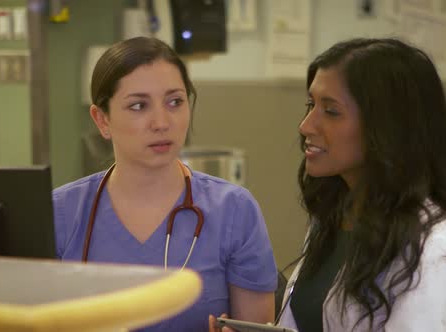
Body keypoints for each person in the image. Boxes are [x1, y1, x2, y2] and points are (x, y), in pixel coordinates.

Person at [52, 37, 277, 331]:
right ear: (102, 120)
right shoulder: (61, 213)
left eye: (175, 102)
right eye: (138, 106)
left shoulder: (234, 211)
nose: (161, 122)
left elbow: (255, 327)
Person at [276, 38, 446, 331]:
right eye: (310, 104)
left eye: (331, 111)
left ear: (388, 126)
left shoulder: (435, 253)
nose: (305, 126)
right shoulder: (336, 218)